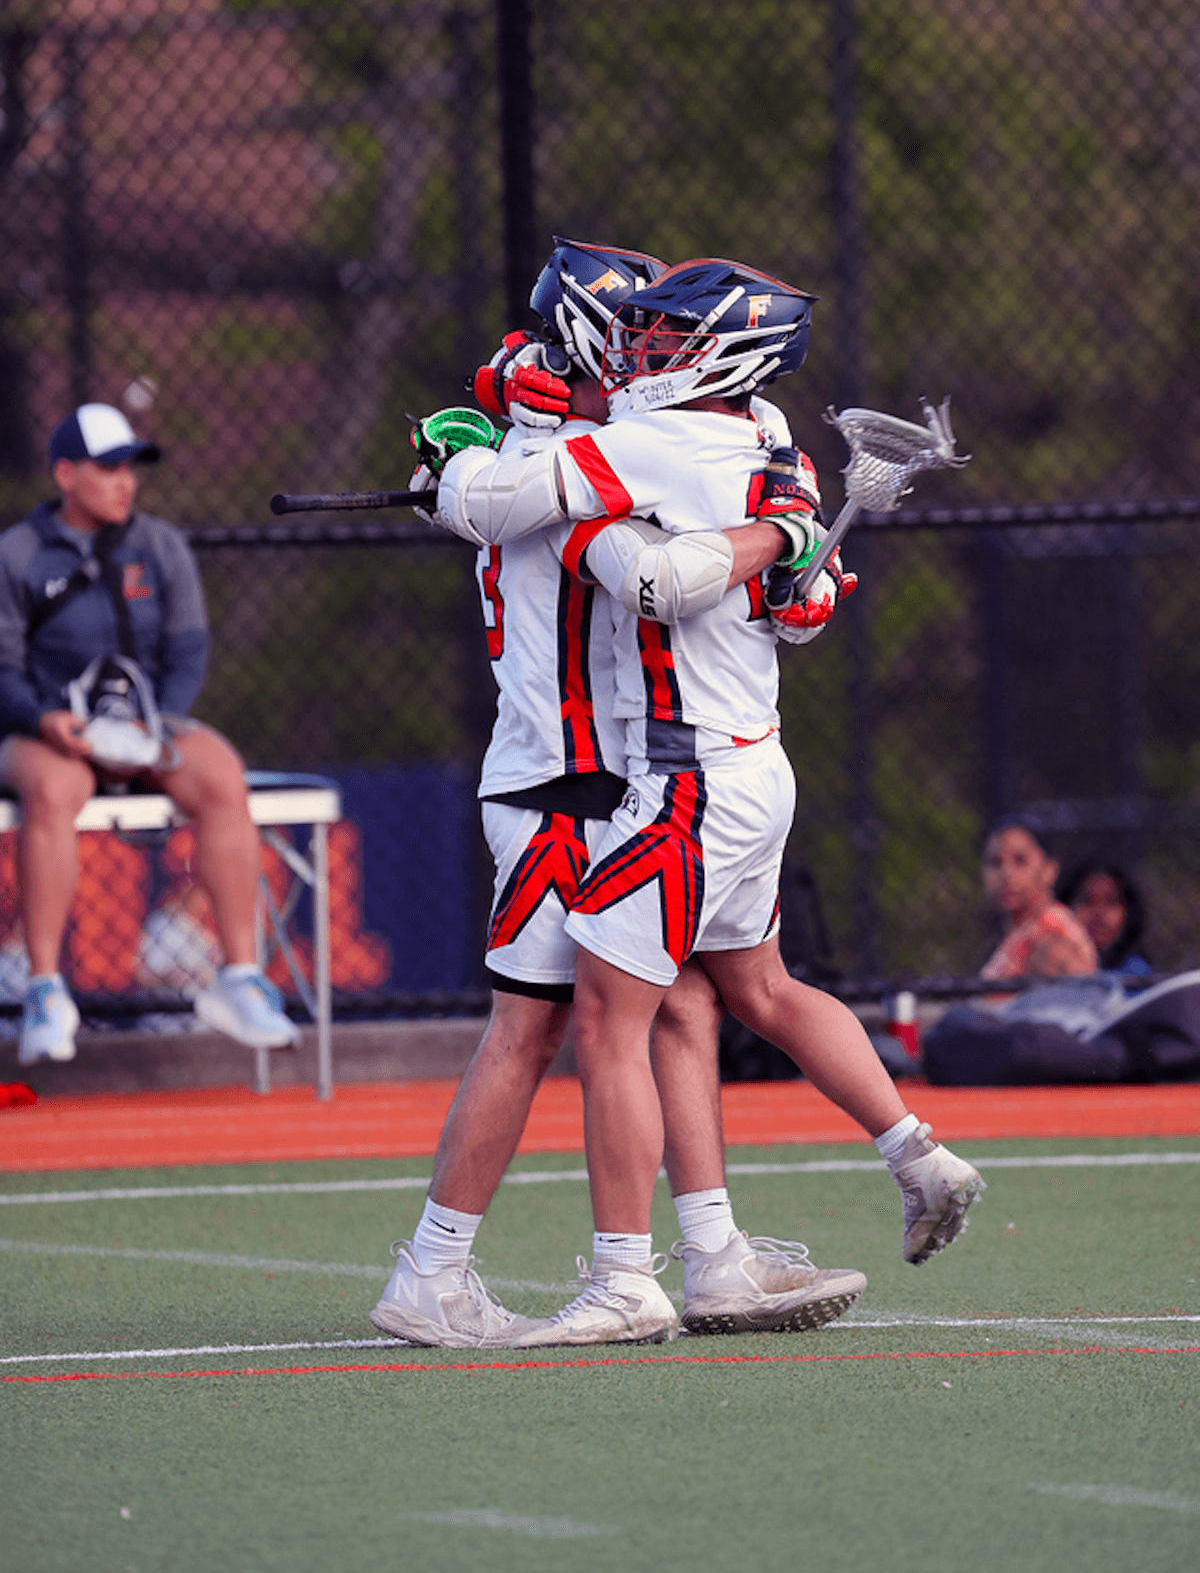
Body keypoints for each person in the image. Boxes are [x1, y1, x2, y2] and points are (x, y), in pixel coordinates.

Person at [425, 256, 986, 1346]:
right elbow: (805, 613)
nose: (645, 352)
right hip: (755, 765)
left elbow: (560, 535)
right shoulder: (772, 436)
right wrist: (788, 552)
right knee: (746, 991)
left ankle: (624, 1280)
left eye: (672, 339)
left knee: (607, 1014)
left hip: (681, 778)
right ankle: (909, 1159)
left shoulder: (645, 439)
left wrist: (460, 457)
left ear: (726, 352)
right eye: (639, 335)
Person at [0, 402, 299, 1064]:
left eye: (130, 467)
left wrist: (155, 724)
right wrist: (45, 719)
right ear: (65, 474)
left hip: (144, 728)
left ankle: (239, 978)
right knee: (51, 791)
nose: (124, 481)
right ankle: (46, 992)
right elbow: (2, 669)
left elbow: (187, 650)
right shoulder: (17, 553)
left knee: (221, 774)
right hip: (51, 732)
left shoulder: (160, 545)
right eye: (108, 469)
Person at [977, 818, 1098, 987]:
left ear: (1050, 870)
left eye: (1020, 860)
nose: (1006, 874)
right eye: (995, 863)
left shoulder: (1052, 935)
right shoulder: (1021, 933)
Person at [1057, 860, 1154, 986]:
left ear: (1128, 912)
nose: (1099, 913)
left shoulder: (1137, 974)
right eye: (1088, 901)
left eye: (1111, 902)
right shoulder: (1047, 970)